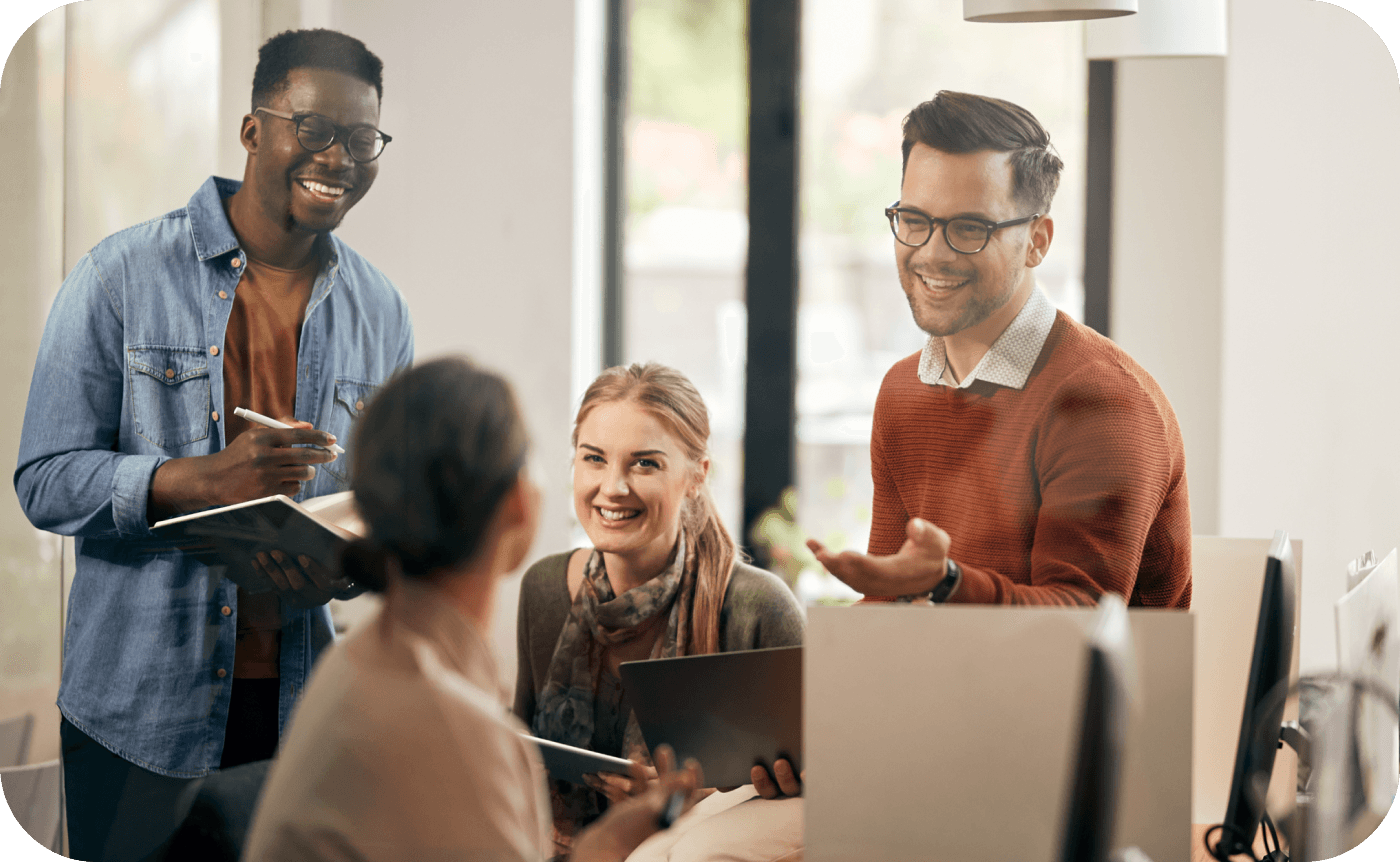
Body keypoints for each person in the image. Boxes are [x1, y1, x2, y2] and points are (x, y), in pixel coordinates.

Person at [13, 29, 412, 860]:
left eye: (363, 138)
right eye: (313, 129)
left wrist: (345, 564)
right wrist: (196, 481)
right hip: (138, 715)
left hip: (299, 719)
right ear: (254, 128)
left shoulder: (383, 311)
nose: (339, 156)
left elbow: (384, 511)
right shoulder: (119, 276)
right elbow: (45, 480)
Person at [243, 357, 703, 862]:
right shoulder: (461, 733)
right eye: (588, 457)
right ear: (518, 502)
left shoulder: (352, 664)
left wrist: (607, 837)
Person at [808, 90, 1192, 611]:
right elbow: (892, 603)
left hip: (1072, 693)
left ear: (1037, 241)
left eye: (970, 228)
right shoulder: (902, 391)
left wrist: (945, 583)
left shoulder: (1103, 402)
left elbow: (1078, 629)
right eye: (915, 220)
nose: (931, 252)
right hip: (943, 686)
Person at [513, 362, 805, 857]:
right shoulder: (543, 588)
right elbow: (518, 739)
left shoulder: (759, 608)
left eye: (644, 463)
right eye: (594, 459)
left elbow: (813, 790)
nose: (613, 487)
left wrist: (689, 805)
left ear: (696, 477)